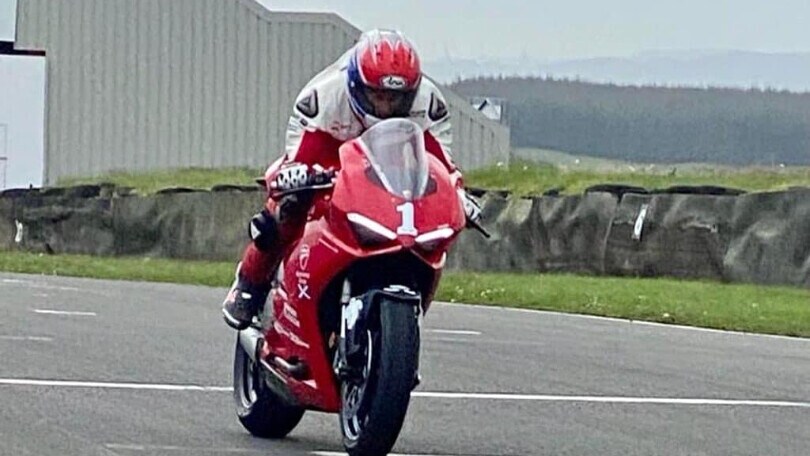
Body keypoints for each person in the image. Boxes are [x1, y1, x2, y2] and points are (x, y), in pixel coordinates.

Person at [222, 29, 482, 330]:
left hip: (392, 160)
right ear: (358, 86)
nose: (386, 107)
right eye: (378, 96)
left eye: (395, 99)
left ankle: (405, 295)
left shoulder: (429, 105)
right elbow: (300, 155)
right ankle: (249, 284)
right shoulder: (323, 98)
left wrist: (457, 194)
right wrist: (300, 174)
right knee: (288, 206)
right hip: (330, 152)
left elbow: (440, 165)